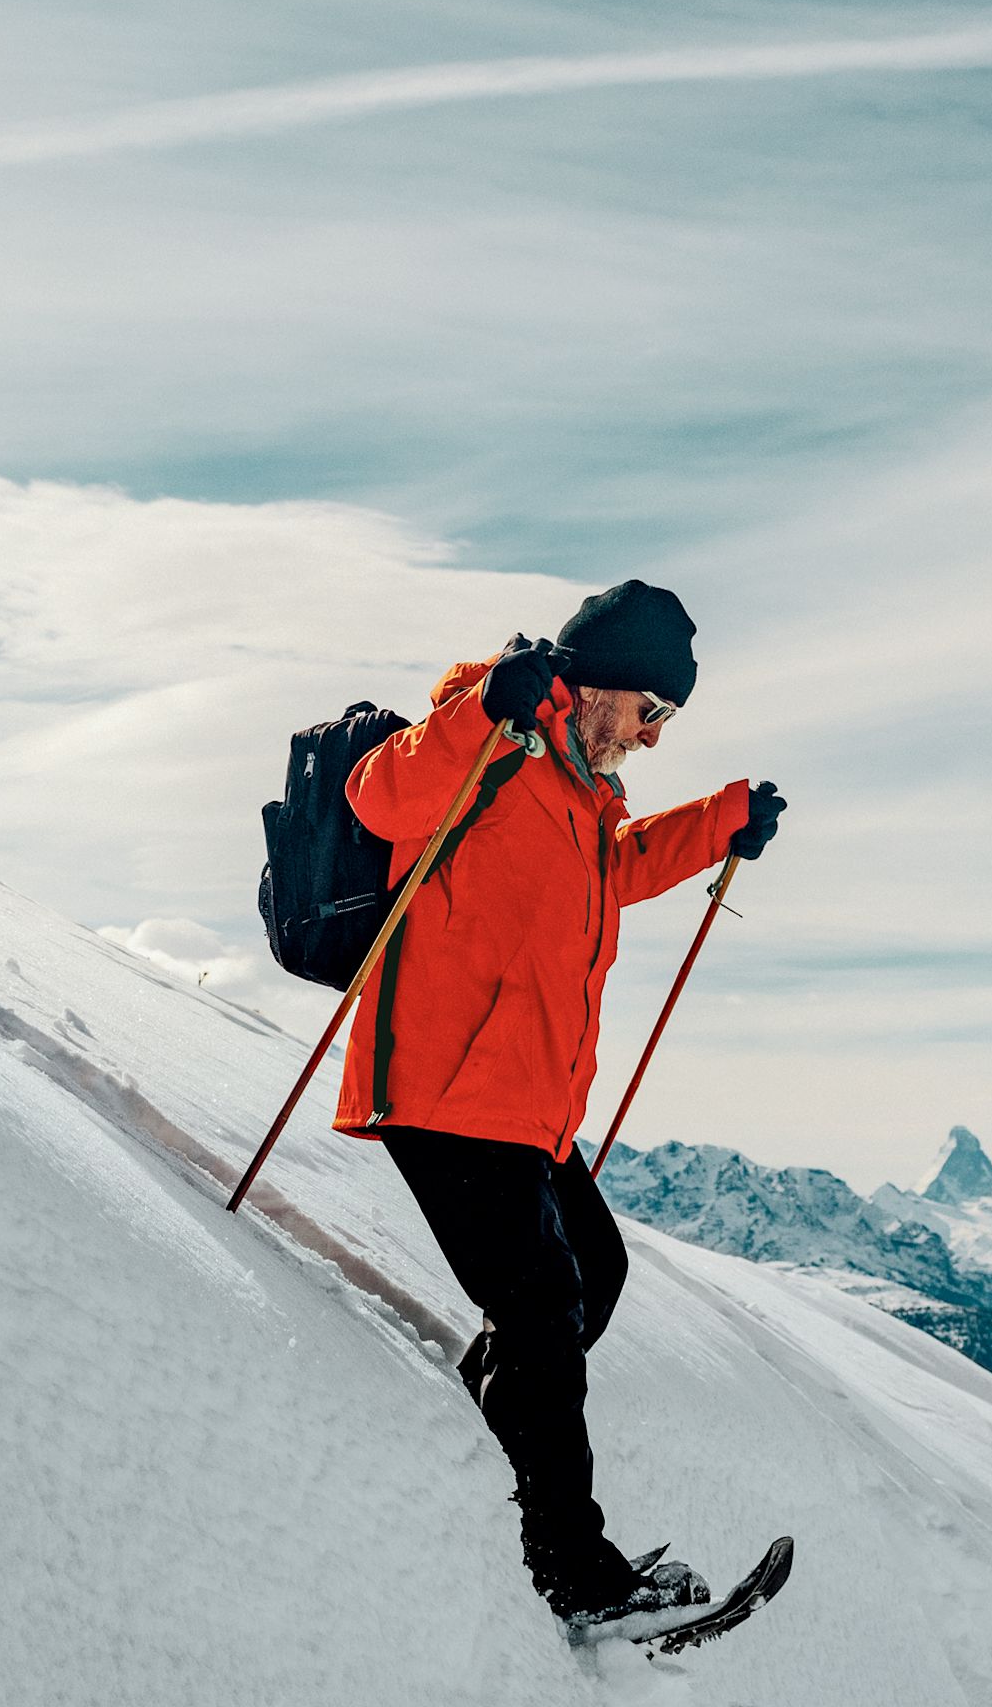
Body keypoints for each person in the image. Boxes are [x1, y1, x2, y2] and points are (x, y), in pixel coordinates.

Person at [336, 580, 788, 1627]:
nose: (655, 736)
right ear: (598, 687)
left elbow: (615, 873)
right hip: (443, 1086)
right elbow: (378, 797)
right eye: (651, 711)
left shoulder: (588, 794)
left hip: (522, 1102)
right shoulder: (490, 736)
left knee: (597, 1274)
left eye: (667, 719)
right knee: (541, 1310)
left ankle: (483, 1428)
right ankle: (574, 1572)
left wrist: (721, 821)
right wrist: (488, 702)